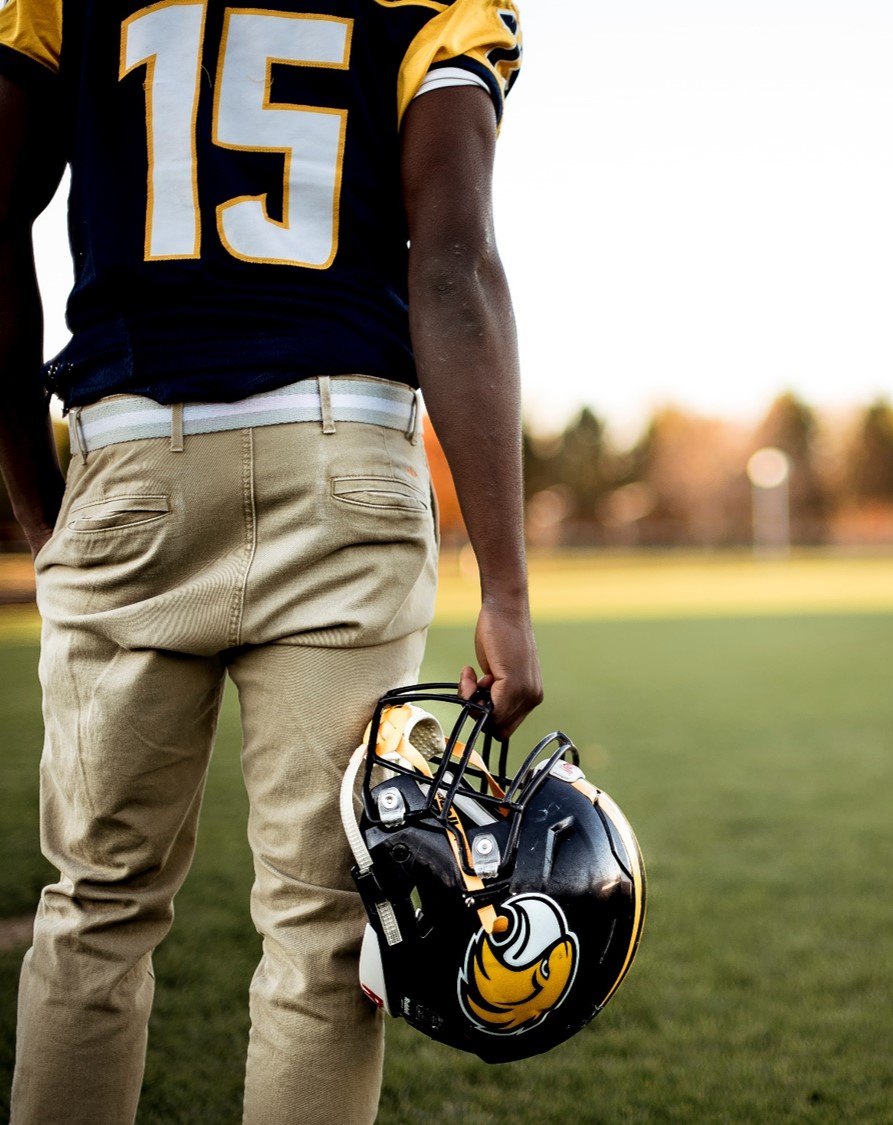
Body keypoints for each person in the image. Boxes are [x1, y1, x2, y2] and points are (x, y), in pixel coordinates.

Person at [0, 1, 542, 1121]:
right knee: (326, 927)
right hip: (339, 460)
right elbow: (453, 263)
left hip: (132, 448)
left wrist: (37, 507)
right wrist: (506, 588)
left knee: (95, 913)